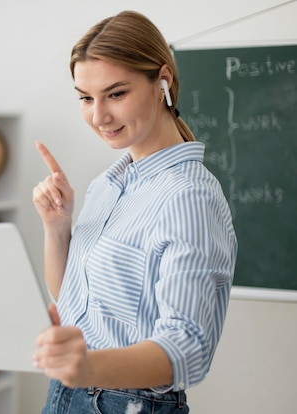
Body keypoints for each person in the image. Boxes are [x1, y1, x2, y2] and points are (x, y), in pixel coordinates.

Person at [31, 10, 237, 414]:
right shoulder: (106, 186)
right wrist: (57, 228)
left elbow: (187, 349)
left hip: (125, 403)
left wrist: (89, 366)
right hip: (67, 395)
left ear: (162, 83)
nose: (98, 116)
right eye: (86, 98)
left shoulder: (189, 196)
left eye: (116, 93)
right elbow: (74, 302)